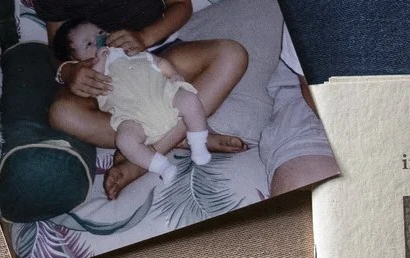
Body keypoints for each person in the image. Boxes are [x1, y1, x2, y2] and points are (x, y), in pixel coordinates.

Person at [37, 1, 251, 199]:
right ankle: (181, 136)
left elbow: (181, 5)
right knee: (62, 113)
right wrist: (68, 72)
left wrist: (144, 37)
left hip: (159, 56)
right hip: (107, 84)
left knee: (232, 55)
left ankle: (143, 159)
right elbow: (56, 46)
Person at [51, 18, 220, 177]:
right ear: (75, 60)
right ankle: (161, 167)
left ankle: (198, 144)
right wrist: (86, 65)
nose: (99, 41)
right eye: (89, 44)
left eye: (101, 33)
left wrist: (173, 74)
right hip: (133, 117)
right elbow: (94, 78)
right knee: (125, 140)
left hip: (162, 95)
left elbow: (156, 61)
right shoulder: (93, 70)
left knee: (189, 99)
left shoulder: (127, 52)